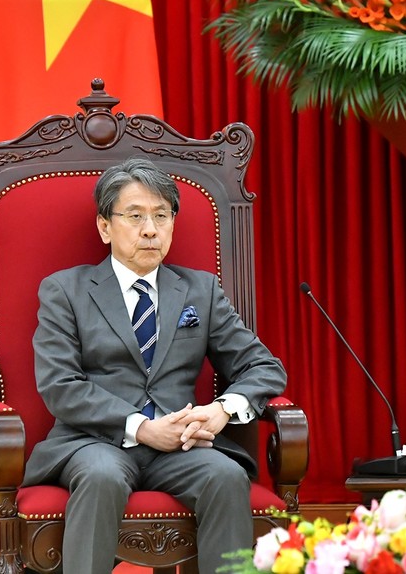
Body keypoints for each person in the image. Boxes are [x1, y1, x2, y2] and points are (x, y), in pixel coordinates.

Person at [23, 157, 287, 573]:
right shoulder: (66, 291)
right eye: (135, 216)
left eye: (161, 216)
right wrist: (143, 428)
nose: (150, 229)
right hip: (96, 442)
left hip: (182, 446)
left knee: (225, 476)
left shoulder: (200, 289)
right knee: (101, 476)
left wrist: (222, 411)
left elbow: (264, 367)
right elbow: (60, 385)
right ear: (105, 226)